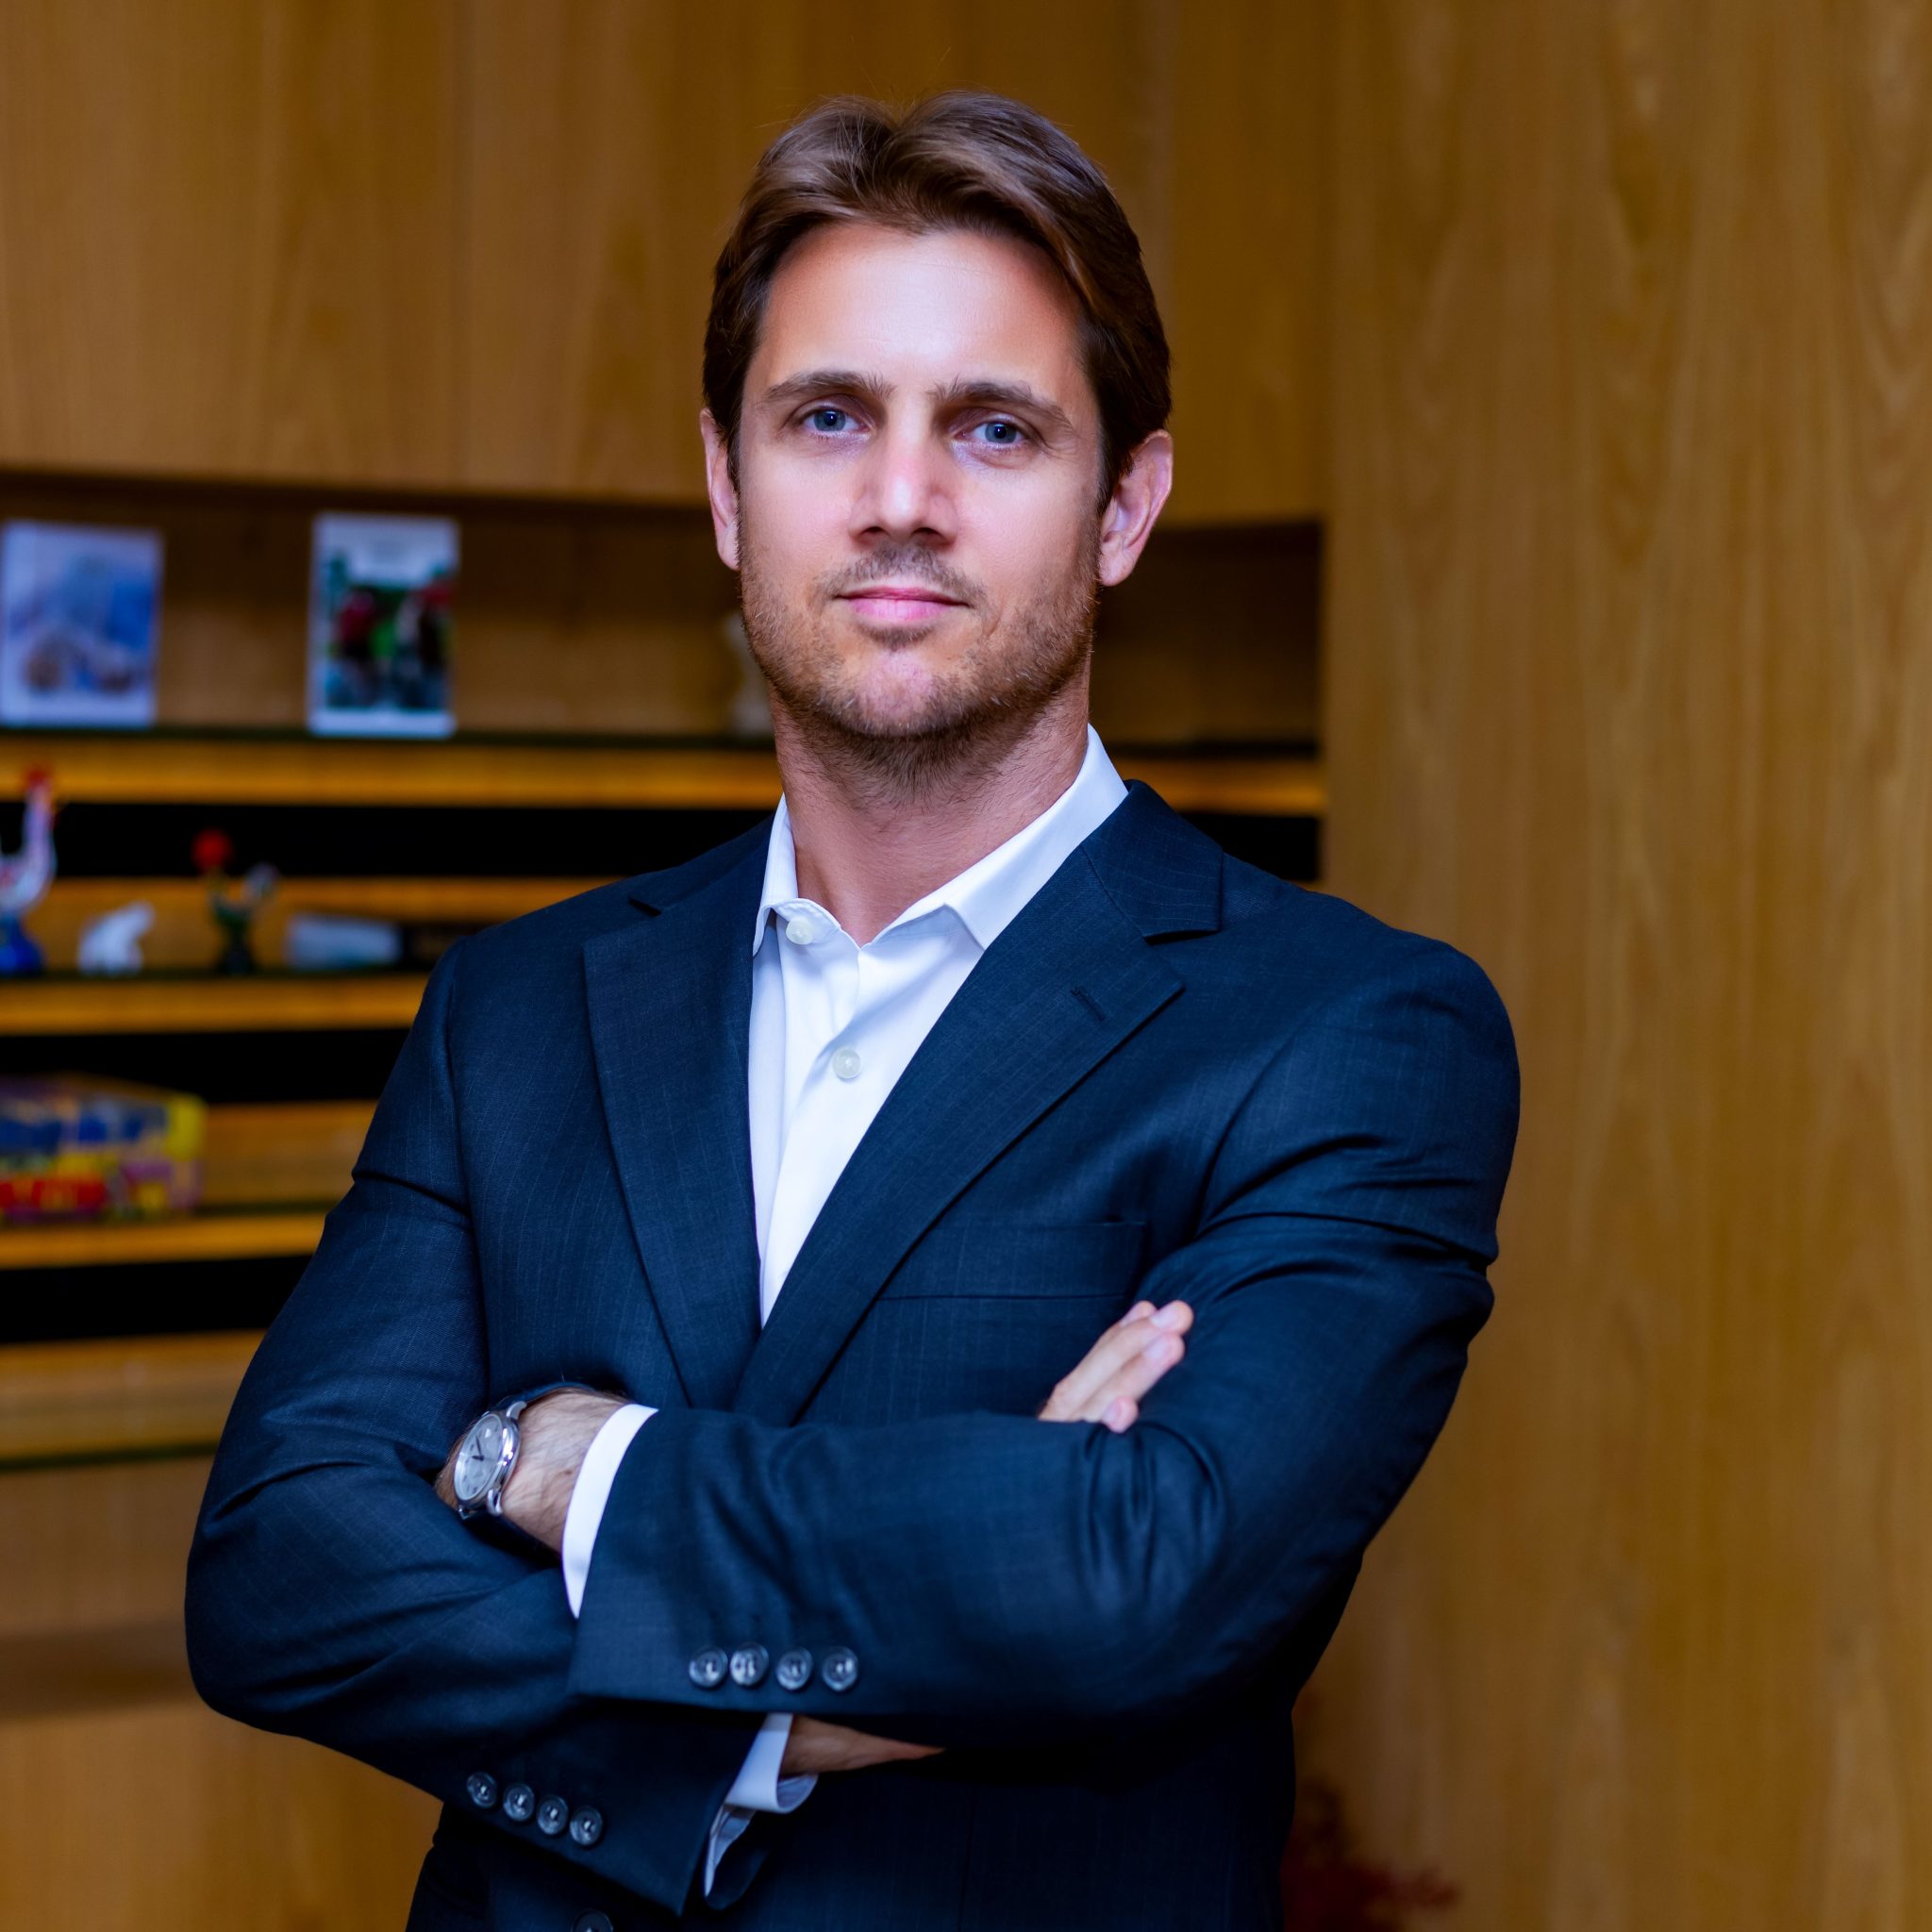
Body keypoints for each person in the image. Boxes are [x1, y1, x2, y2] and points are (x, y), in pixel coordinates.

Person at [186, 90, 1519, 1932]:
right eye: (828, 417)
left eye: (995, 427)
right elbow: (276, 1568)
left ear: (1126, 505)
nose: (902, 497)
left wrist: (555, 1461)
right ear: (728, 488)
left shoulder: (1345, 1033)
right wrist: (807, 1698)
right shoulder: (517, 1007)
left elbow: (1136, 1581)